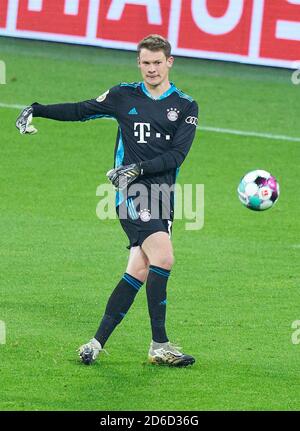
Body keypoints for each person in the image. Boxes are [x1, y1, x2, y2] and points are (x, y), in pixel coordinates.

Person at [16, 34, 199, 367]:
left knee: (140, 269)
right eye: (146, 62)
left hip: (163, 196)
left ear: (169, 62)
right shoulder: (122, 95)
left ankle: (95, 343)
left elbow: (177, 155)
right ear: (138, 63)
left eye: (158, 62)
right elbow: (81, 110)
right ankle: (159, 344)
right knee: (164, 256)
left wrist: (137, 167)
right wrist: (37, 110)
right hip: (131, 193)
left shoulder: (185, 106)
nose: (152, 69)